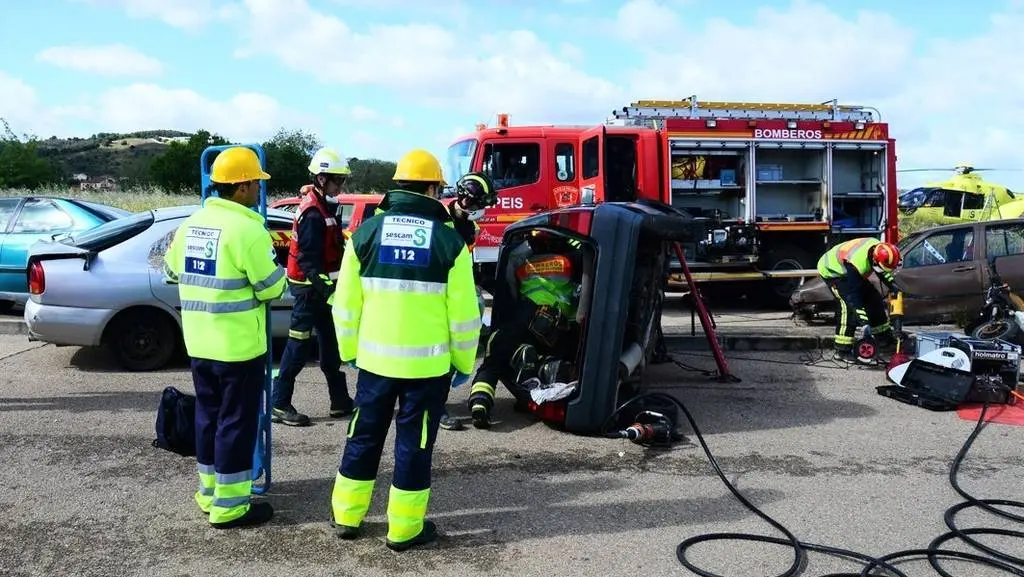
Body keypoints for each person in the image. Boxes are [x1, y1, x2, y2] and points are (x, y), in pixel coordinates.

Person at [329, 148, 481, 551]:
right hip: (428, 370)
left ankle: (346, 516)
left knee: (362, 436)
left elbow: (345, 305)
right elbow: (464, 318)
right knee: (414, 445)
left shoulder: (364, 235)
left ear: (398, 186)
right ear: (433, 189)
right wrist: (463, 363)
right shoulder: (450, 243)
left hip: (374, 364)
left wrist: (349, 351)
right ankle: (404, 529)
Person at [162, 146, 287, 528]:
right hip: (238, 347)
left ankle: (209, 492)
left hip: (199, 343)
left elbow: (170, 271)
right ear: (243, 186)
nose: (258, 192)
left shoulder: (191, 224)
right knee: (236, 422)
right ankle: (231, 507)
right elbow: (271, 288)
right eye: (255, 185)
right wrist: (278, 273)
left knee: (208, 416)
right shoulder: (248, 229)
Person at [466, 229, 584, 429]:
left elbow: (506, 288)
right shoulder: (574, 257)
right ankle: (535, 370)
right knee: (566, 355)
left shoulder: (520, 255)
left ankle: (480, 401)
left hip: (523, 312)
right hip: (558, 320)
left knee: (493, 360)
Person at [271, 147, 354, 427]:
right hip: (309, 291)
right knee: (297, 347)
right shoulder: (312, 214)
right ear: (321, 180)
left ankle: (340, 402)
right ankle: (279, 403)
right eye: (337, 180)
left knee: (331, 347)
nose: (341, 186)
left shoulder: (321, 206)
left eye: (342, 180)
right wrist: (329, 292)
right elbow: (308, 261)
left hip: (322, 291)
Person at [816, 237, 902, 363]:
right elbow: (853, 297)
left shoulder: (877, 248)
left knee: (873, 299)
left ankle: (883, 339)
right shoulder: (857, 263)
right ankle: (842, 350)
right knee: (848, 307)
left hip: (849, 266)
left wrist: (892, 285)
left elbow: (881, 269)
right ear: (874, 259)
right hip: (833, 272)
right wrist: (864, 323)